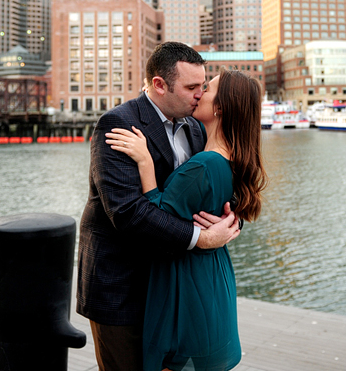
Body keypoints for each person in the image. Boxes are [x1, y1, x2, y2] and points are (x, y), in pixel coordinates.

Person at [76, 42, 241, 371]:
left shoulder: (195, 127)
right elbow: (128, 213)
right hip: (123, 286)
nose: (199, 94)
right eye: (191, 87)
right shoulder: (119, 124)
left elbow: (211, 188)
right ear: (159, 85)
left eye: (203, 86)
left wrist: (230, 222)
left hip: (171, 287)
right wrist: (201, 238)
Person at [106, 69, 268, 371]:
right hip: (212, 271)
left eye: (207, 89)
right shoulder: (229, 157)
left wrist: (144, 162)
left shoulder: (205, 162)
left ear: (219, 107)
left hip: (187, 277)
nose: (199, 94)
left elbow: (158, 215)